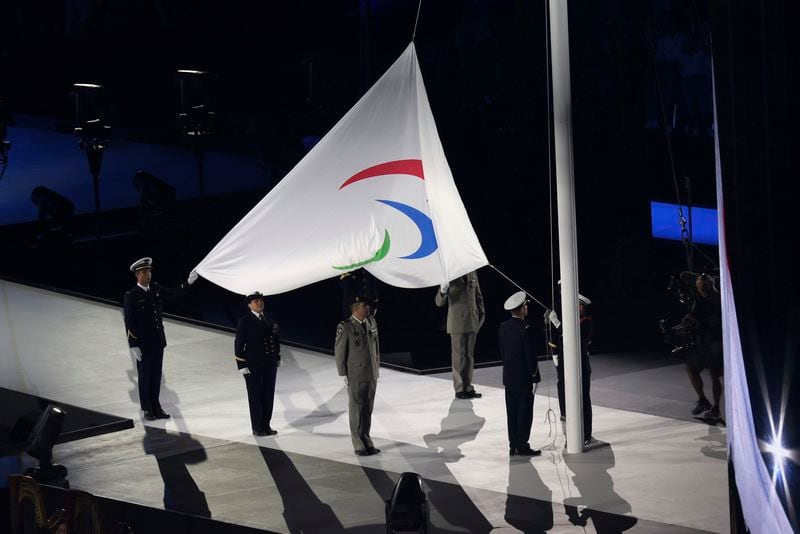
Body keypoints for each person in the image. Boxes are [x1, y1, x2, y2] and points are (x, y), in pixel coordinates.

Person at [123, 257, 197, 420]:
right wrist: (133, 343)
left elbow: (174, 293)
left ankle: (156, 406)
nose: (148, 275)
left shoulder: (155, 288)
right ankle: (147, 409)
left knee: (156, 375)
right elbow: (129, 321)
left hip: (158, 341)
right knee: (145, 376)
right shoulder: (132, 295)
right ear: (137, 275)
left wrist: (188, 283)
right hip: (143, 343)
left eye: (149, 271)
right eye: (144, 272)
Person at [335, 296, 381, 456]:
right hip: (356, 373)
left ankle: (366, 439)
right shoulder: (345, 327)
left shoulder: (371, 322)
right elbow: (340, 351)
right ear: (355, 308)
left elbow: (376, 347)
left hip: (371, 372)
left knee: (368, 408)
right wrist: (343, 373)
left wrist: (377, 366)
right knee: (356, 409)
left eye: (368, 305)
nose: (367, 308)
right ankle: (358, 442)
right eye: (364, 305)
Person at [498, 291, 542, 457]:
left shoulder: (503, 327)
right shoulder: (526, 328)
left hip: (509, 377)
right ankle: (522, 445)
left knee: (512, 412)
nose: (526, 308)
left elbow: (502, 353)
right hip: (523, 378)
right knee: (524, 412)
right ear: (522, 309)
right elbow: (530, 355)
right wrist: (535, 376)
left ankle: (513, 445)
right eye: (525, 306)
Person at [235, 291, 282, 437]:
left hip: (270, 363)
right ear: (249, 305)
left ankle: (266, 425)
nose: (259, 303)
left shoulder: (269, 317)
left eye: (260, 300)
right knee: (255, 396)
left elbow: (275, 338)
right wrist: (241, 364)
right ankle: (257, 427)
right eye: (255, 301)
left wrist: (277, 356)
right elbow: (238, 344)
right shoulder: (245, 321)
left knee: (268, 395)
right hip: (253, 365)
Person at [551, 293, 595, 446]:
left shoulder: (586, 322)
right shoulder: (571, 322)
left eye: (579, 305)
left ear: (583, 308)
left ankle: (586, 434)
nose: (576, 308)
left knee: (583, 399)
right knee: (571, 400)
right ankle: (574, 433)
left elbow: (573, 337)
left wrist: (557, 324)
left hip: (581, 366)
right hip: (569, 365)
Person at [435, 271, 485, 399]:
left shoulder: (472, 271)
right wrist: (443, 289)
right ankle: (459, 388)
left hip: (472, 319)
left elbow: (477, 294)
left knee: (469, 356)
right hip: (457, 321)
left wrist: (481, 313)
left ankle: (468, 387)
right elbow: (439, 302)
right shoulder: (448, 274)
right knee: (458, 357)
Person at [684, 273, 723, 419]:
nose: (701, 288)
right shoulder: (702, 300)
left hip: (714, 343)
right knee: (693, 369)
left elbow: (697, 319)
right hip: (706, 342)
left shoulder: (717, 301)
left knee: (713, 375)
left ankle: (714, 407)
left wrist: (687, 323)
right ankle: (705, 402)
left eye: (701, 285)